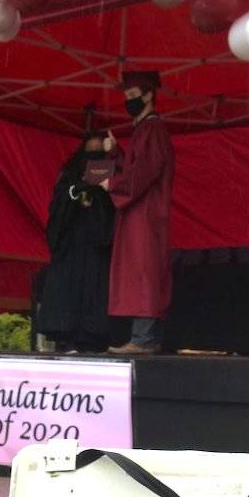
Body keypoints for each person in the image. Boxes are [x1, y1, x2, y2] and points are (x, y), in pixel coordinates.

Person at [101, 70, 175, 355]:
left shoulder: (153, 129)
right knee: (142, 271)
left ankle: (143, 340)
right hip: (139, 212)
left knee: (144, 271)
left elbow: (143, 172)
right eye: (127, 97)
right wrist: (114, 153)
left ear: (149, 95)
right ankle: (144, 338)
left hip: (145, 214)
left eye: (133, 96)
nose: (128, 101)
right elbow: (137, 166)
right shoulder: (143, 130)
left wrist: (112, 184)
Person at [34, 131, 117, 352]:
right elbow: (57, 206)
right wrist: (74, 192)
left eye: (99, 152)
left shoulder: (111, 173)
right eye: (90, 152)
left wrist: (100, 190)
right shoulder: (69, 174)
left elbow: (116, 204)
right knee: (67, 291)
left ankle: (92, 339)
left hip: (96, 245)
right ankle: (66, 338)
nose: (94, 157)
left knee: (94, 291)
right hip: (70, 244)